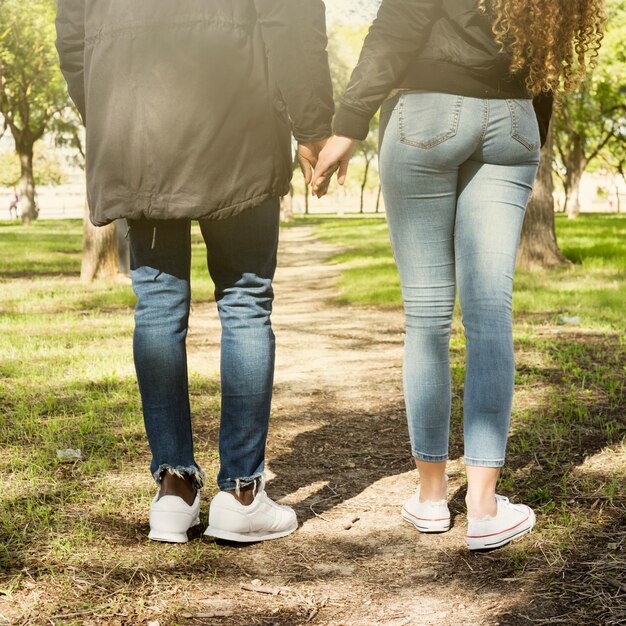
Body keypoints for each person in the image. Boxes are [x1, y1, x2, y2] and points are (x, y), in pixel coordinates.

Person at [313, 0, 605, 550]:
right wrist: (528, 133)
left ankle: (430, 499)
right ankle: (484, 506)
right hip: (514, 123)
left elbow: (397, 27)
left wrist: (348, 123)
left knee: (427, 316)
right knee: (490, 315)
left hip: (427, 113)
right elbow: (543, 61)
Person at [56, 0, 334, 543]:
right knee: (246, 299)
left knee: (157, 307)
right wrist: (313, 124)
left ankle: (173, 492)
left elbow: (72, 35)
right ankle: (241, 495)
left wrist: (111, 108)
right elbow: (292, 17)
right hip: (238, 118)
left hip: (135, 125)